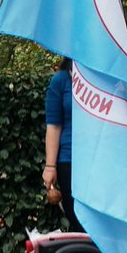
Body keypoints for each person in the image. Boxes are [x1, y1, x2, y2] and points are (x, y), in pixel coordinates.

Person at [42, 58, 80, 230]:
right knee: (79, 222)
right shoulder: (61, 80)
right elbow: (54, 125)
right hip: (70, 162)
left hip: (103, 160)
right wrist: (50, 167)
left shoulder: (104, 78)